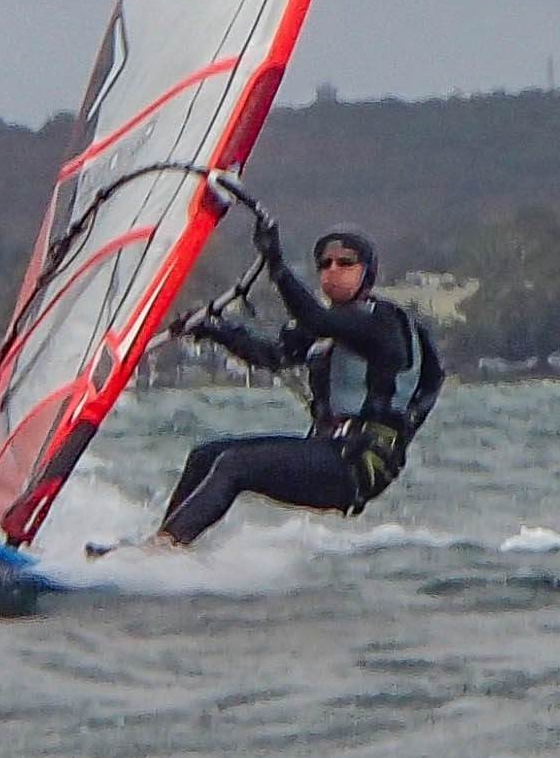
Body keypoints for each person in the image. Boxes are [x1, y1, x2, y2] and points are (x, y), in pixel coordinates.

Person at [152, 210, 444, 547]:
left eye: (345, 263)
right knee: (205, 456)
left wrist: (276, 266)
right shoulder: (329, 325)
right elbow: (272, 356)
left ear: (367, 272)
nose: (332, 270)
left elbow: (315, 318)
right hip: (327, 450)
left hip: (357, 465)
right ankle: (163, 542)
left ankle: (165, 547)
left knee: (235, 465)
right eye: (325, 264)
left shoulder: (382, 321)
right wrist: (215, 331)